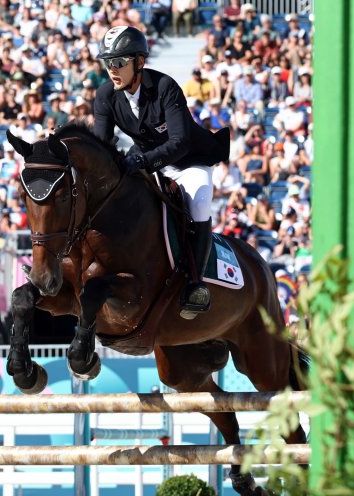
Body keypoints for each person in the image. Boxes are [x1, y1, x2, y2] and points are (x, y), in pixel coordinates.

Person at [93, 26, 229, 318]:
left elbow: (180, 142)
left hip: (189, 160)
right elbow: (101, 146)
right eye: (108, 63)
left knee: (200, 202)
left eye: (118, 62)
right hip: (148, 160)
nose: (112, 70)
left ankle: (195, 283)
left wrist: (142, 161)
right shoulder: (106, 95)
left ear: (139, 62)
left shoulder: (165, 87)